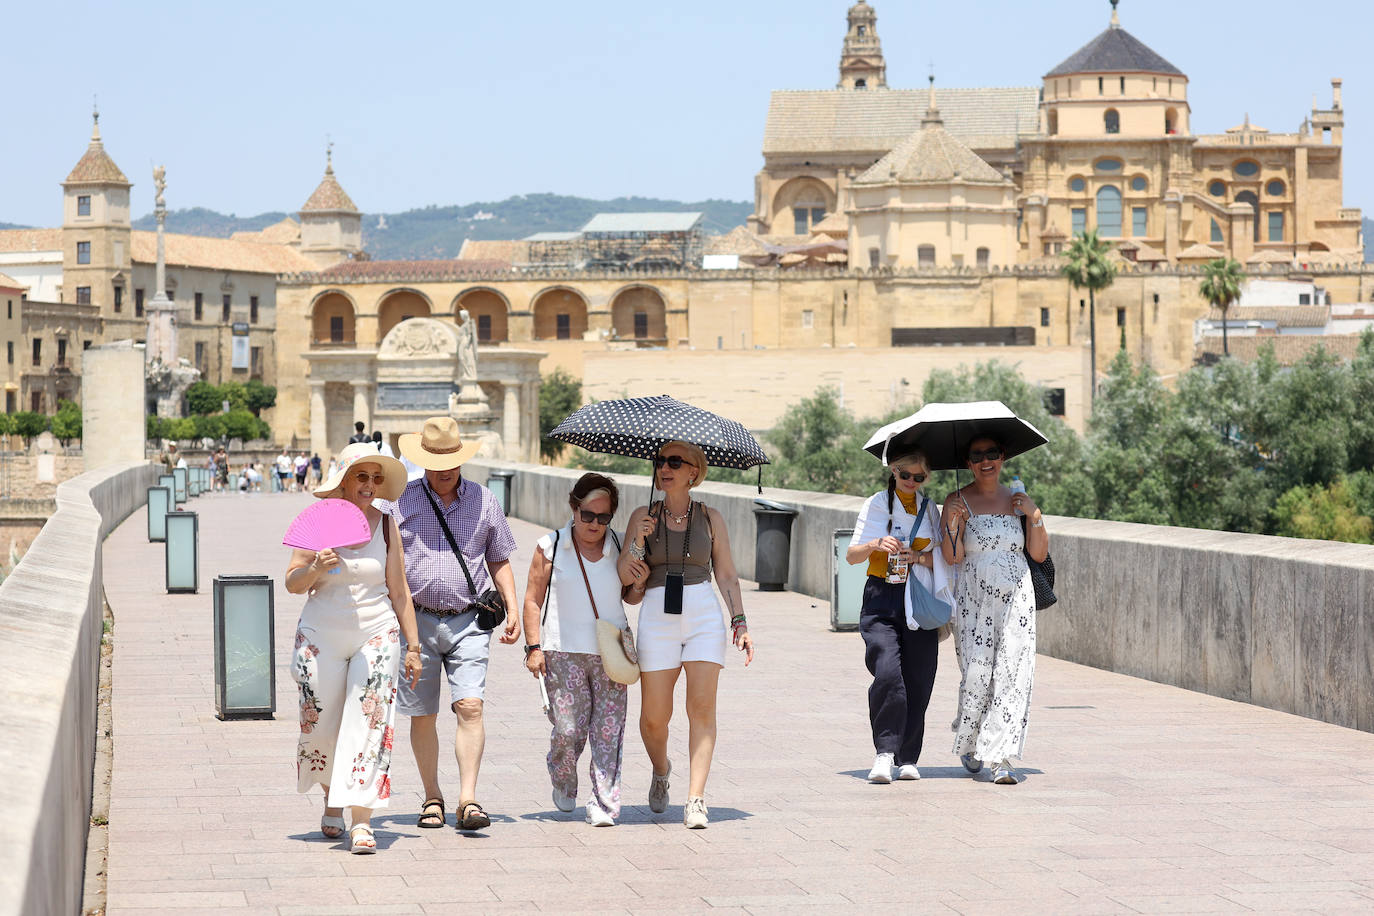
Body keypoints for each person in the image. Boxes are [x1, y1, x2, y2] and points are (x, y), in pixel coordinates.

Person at [284, 441, 422, 854]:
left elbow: (399, 591)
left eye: (376, 478)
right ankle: (332, 799)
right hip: (320, 634)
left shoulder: (385, 524)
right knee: (322, 725)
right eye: (361, 476)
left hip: (376, 633)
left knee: (370, 721)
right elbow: (292, 583)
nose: (370, 485)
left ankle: (362, 819)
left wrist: (413, 646)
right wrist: (314, 568)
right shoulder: (320, 522)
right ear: (343, 481)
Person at [385, 416, 520, 832]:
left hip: (469, 621)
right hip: (417, 623)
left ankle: (468, 799)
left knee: (470, 706)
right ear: (422, 461)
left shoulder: (484, 500)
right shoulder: (401, 501)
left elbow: (498, 557)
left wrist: (512, 608)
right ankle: (432, 796)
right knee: (422, 714)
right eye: (437, 462)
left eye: (452, 462)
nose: (445, 471)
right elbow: (390, 566)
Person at [617, 440, 754, 829]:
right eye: (660, 461)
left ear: (693, 472)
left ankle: (695, 798)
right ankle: (662, 769)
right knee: (653, 718)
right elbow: (626, 580)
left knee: (702, 708)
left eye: (674, 462)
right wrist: (638, 543)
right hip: (657, 615)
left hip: (703, 616)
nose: (664, 468)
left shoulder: (711, 517)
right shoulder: (643, 514)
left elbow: (726, 574)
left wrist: (740, 622)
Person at [522, 474, 631, 827]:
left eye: (604, 517)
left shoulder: (620, 545)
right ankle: (562, 775)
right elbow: (532, 600)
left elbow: (632, 596)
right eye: (588, 515)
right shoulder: (549, 547)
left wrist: (640, 577)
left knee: (607, 733)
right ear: (574, 508)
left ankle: (604, 804)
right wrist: (534, 647)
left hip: (611, 651)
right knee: (568, 730)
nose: (595, 524)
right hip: (563, 652)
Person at [940, 437, 1048, 786]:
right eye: (977, 456)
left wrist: (1034, 515)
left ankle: (1000, 757)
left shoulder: (1018, 499)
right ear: (968, 463)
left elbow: (1039, 554)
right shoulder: (956, 501)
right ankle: (971, 741)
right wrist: (953, 525)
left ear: (1003, 457)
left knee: (1013, 674)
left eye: (992, 454)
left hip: (1017, 596)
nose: (986, 461)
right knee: (977, 674)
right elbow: (952, 557)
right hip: (974, 599)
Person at [846, 449, 950, 783]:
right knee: (888, 673)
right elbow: (851, 556)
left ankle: (908, 756)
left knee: (919, 678)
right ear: (894, 471)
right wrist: (876, 543)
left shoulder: (930, 510)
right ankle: (884, 753)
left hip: (918, 599)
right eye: (906, 475)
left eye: (919, 478)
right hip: (881, 596)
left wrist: (917, 556)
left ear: (926, 479)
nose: (911, 482)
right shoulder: (876, 504)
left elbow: (947, 562)